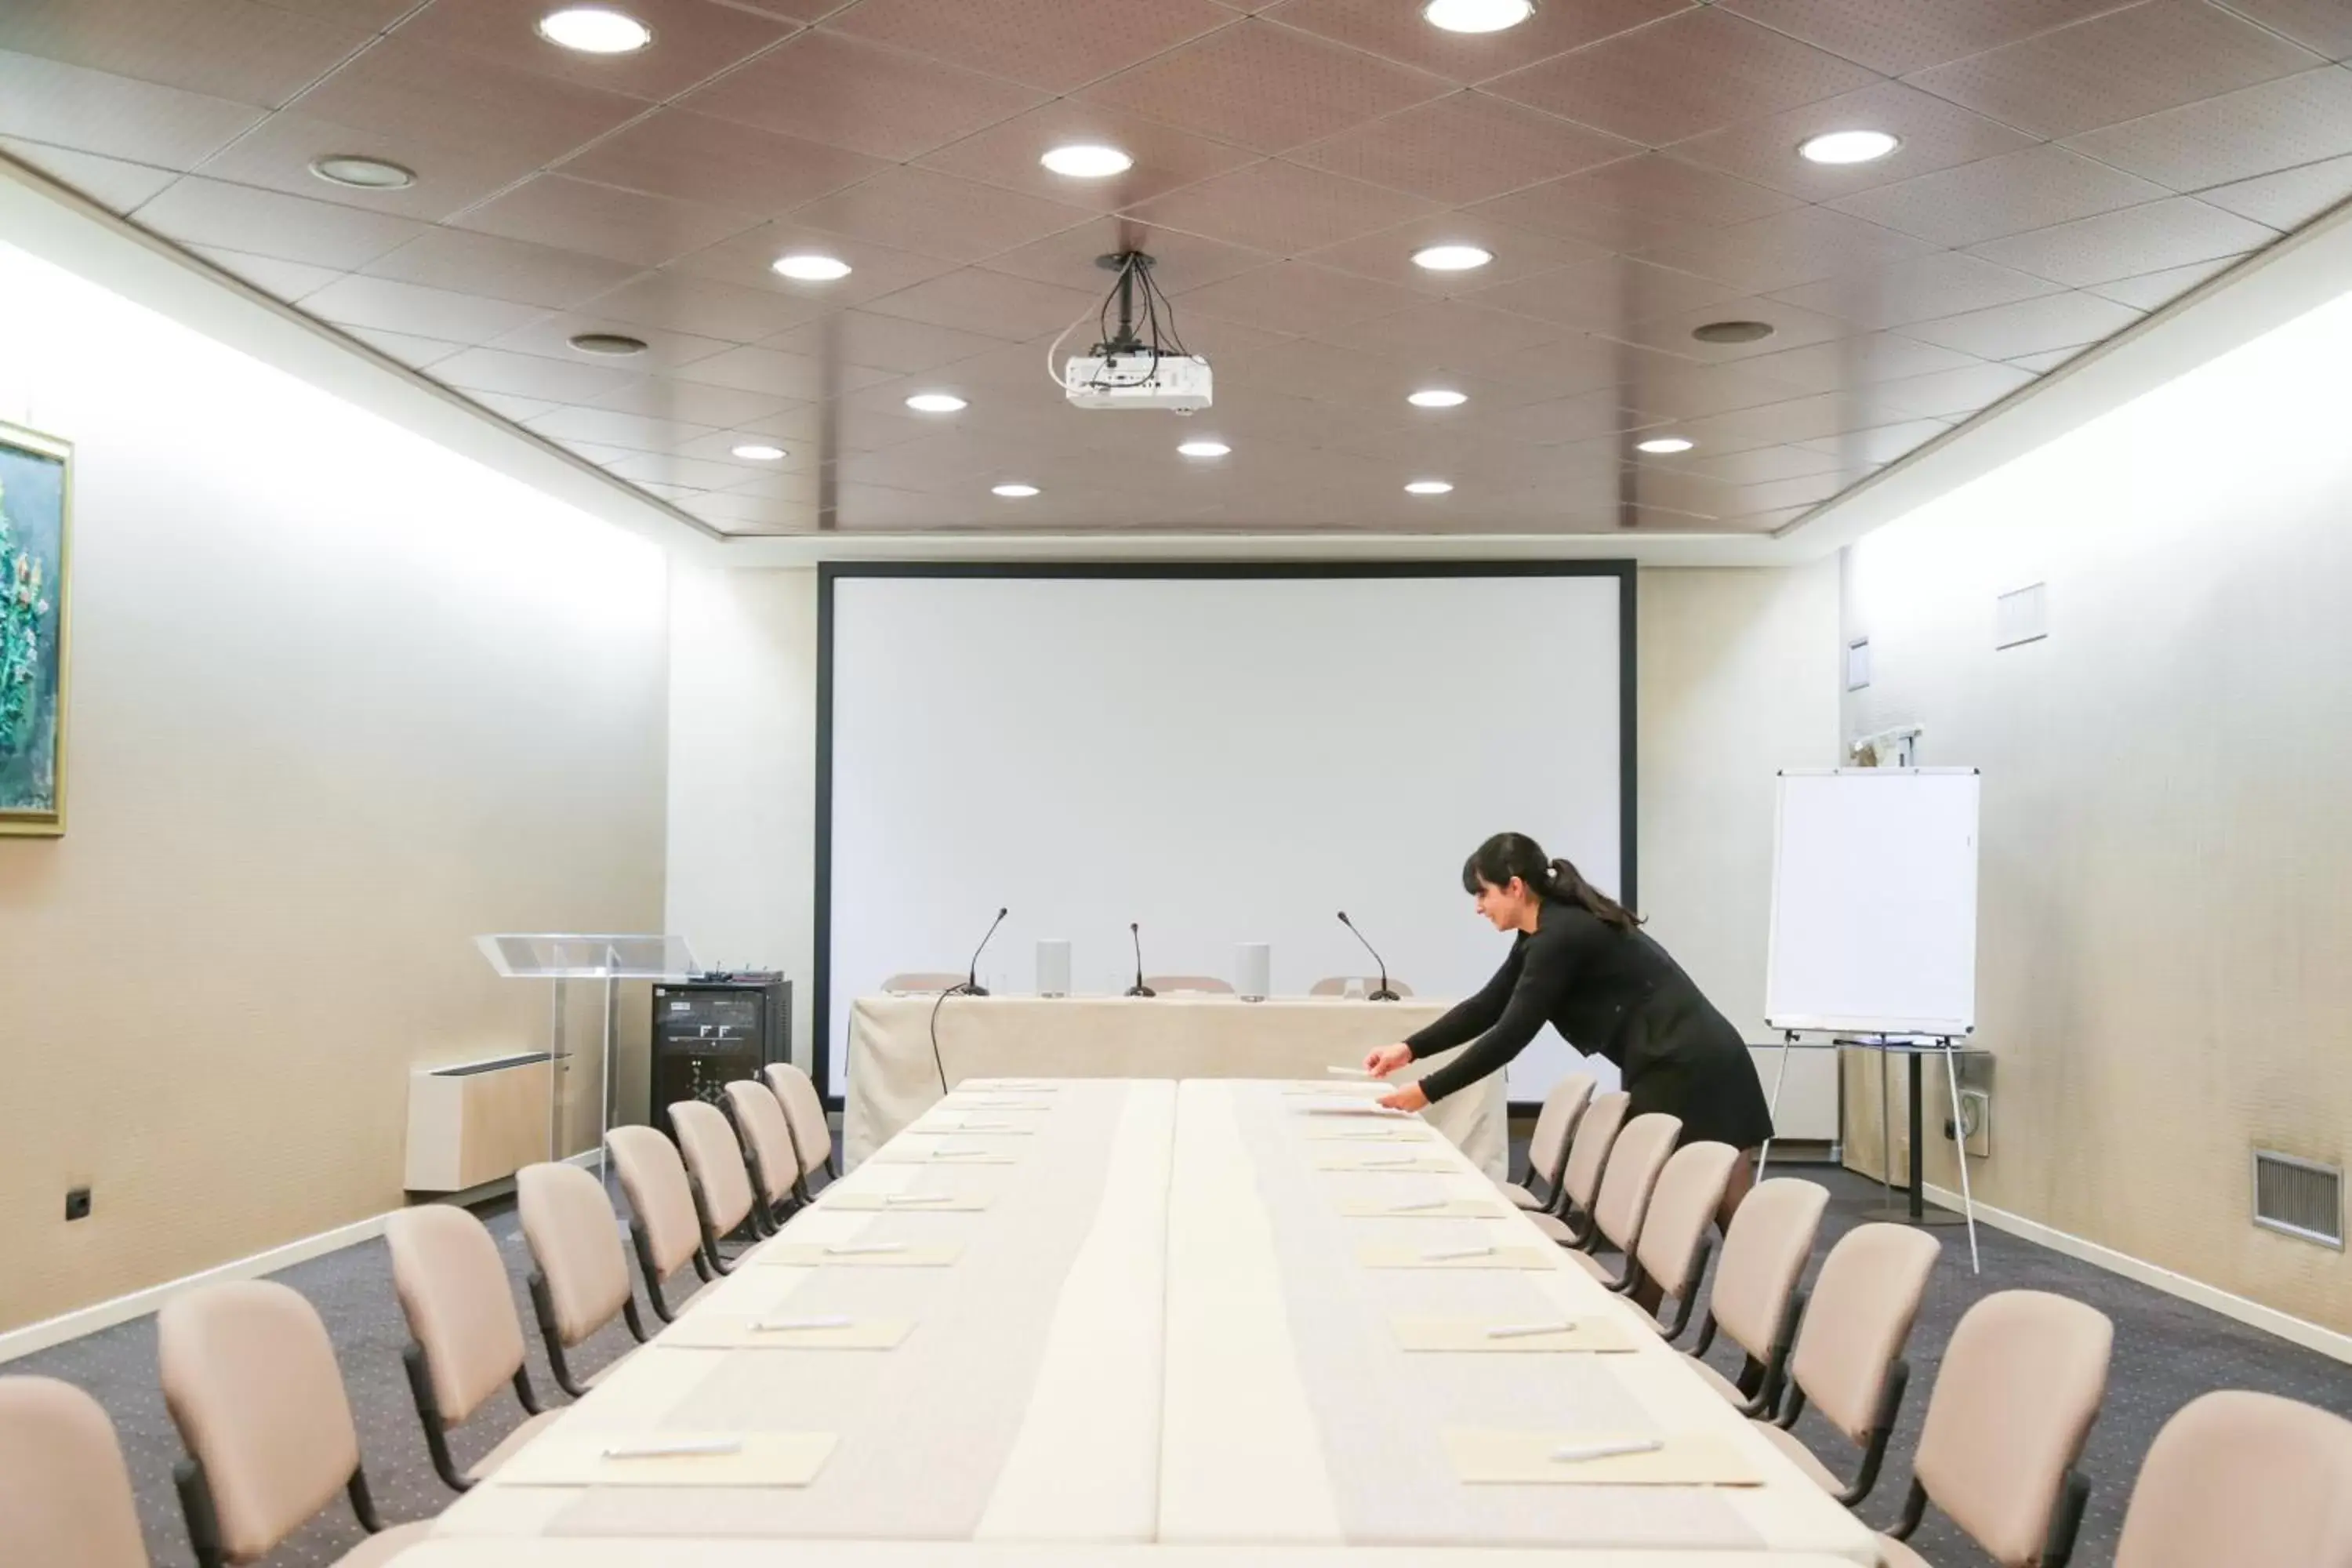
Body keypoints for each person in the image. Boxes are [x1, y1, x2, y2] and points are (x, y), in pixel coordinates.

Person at [1364, 831, 1775, 1263]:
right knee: (1690, 1202)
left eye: (1483, 894)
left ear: (1516, 887)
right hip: (1687, 1056)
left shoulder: (1561, 935)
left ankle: (1682, 1311)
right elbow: (1488, 1006)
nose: (1478, 907)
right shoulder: (1543, 930)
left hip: (1688, 1063)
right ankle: (1756, 1308)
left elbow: (1509, 1036)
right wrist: (1408, 1049)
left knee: (1659, 1205)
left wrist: (1426, 1091)